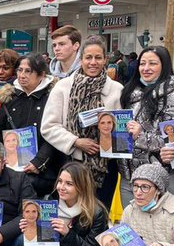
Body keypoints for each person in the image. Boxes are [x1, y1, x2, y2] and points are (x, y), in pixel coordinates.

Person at [41, 35, 124, 208]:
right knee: (71, 215)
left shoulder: (117, 90)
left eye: (98, 58)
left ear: (105, 60)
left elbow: (122, 131)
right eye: (88, 57)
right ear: (81, 59)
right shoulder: (63, 87)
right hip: (72, 164)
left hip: (105, 168)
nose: (93, 62)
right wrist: (76, 142)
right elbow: (49, 126)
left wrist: (109, 140)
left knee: (100, 214)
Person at [121, 45, 174, 197]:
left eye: (152, 63)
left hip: (162, 178)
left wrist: (140, 136)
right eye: (142, 63)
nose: (146, 68)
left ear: (164, 66)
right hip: (130, 179)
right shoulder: (130, 93)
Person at [0, 53, 60, 196]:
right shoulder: (9, 97)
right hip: (10, 168)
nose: (22, 75)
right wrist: (0, 157)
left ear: (42, 74)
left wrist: (38, 162)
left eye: (28, 71)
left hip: (44, 171)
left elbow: (55, 133)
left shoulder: (52, 97)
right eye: (19, 70)